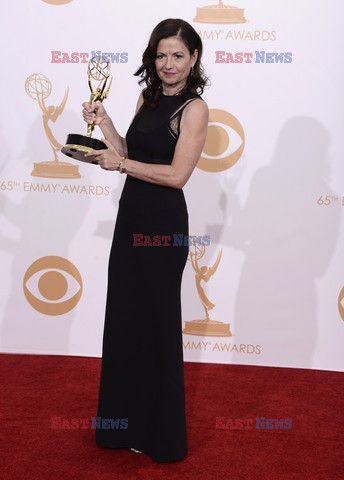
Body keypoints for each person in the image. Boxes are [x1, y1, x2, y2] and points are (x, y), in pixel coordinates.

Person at [82, 18, 209, 463]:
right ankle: (121, 429)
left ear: (194, 58)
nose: (168, 64)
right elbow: (131, 155)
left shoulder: (194, 109)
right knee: (124, 321)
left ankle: (161, 437)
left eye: (177, 55)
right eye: (161, 55)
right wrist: (107, 124)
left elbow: (176, 176)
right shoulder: (147, 97)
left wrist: (120, 166)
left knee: (156, 327)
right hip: (130, 219)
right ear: (151, 59)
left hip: (162, 226)